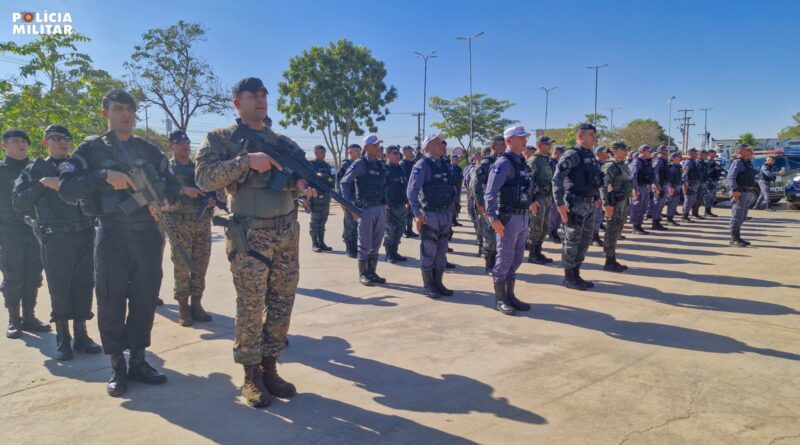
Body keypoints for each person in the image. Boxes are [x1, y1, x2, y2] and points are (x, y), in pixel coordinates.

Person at [195, 77, 315, 407]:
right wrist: (246, 160)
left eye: (264, 95)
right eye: (253, 96)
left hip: (286, 232)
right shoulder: (221, 138)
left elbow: (293, 180)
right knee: (250, 304)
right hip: (250, 234)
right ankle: (250, 374)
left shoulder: (282, 142)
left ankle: (270, 367)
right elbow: (204, 178)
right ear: (238, 103)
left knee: (281, 301)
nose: (261, 100)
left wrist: (303, 184)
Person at [59, 89, 181, 397]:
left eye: (129, 109)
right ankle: (117, 364)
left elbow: (174, 183)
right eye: (118, 108)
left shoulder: (148, 149)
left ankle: (138, 360)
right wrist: (103, 174)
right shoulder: (90, 149)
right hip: (112, 233)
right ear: (106, 113)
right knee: (111, 298)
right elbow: (67, 189)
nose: (125, 114)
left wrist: (164, 200)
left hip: (148, 234)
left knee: (145, 296)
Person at [11, 124, 100, 359]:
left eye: (67, 138)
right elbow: (18, 203)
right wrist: (41, 184)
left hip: (84, 234)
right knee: (60, 288)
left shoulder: (79, 166)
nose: (63, 141)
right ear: (45, 142)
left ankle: (81, 335)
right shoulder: (34, 169)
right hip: (55, 238)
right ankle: (63, 338)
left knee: (83, 285)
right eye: (56, 138)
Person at [1, 129, 48, 340]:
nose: (21, 145)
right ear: (5, 145)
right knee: (13, 277)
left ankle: (30, 317)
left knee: (33, 276)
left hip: (34, 230)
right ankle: (14, 319)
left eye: (24, 141)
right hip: (8, 231)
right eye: (16, 141)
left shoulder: (37, 169)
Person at [165, 130, 214, 327]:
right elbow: (160, 192)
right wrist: (182, 190)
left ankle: (197, 304)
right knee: (182, 267)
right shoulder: (166, 170)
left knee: (201, 265)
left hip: (202, 222)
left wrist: (211, 200)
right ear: (171, 146)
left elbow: (211, 187)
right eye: (179, 142)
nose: (185, 145)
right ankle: (183, 307)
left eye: (187, 141)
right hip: (179, 224)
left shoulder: (198, 168)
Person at [485, 126, 535, 315]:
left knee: (516, 259)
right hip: (508, 218)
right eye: (520, 137)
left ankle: (510, 295)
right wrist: (492, 217)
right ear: (509, 141)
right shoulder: (503, 163)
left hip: (522, 216)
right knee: (504, 259)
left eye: (525, 137)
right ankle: (500, 299)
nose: (525, 141)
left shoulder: (521, 161)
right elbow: (490, 192)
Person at [552, 124, 603, 291]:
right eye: (590, 134)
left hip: (589, 204)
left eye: (594, 134)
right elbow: (557, 179)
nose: (594, 137)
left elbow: (594, 179)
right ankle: (568, 276)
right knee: (572, 241)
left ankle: (576, 272)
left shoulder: (591, 155)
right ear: (580, 136)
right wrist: (559, 204)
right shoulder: (572, 154)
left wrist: (596, 196)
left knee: (585, 240)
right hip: (575, 204)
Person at [406, 134, 455, 298]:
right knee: (429, 250)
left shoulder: (445, 164)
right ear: (427, 147)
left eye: (441, 143)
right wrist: (417, 215)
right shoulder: (422, 165)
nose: (441, 145)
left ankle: (438, 283)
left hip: (445, 213)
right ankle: (428, 285)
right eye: (437, 143)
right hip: (430, 213)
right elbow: (411, 192)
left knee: (442, 250)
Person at [340, 134, 388, 286]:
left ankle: (372, 272)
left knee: (377, 242)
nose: (377, 147)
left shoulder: (381, 164)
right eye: (374, 145)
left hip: (380, 207)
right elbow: (344, 183)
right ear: (366, 147)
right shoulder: (360, 163)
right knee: (365, 243)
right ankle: (363, 274)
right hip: (365, 208)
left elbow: (384, 186)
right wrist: (350, 205)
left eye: (378, 145)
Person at [470, 135, 505, 273]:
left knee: (501, 236)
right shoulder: (486, 164)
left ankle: (499, 263)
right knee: (490, 236)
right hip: (489, 205)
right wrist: (481, 204)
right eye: (502, 144)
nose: (504, 146)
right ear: (494, 146)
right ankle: (489, 264)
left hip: (503, 204)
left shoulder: (506, 161)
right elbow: (476, 185)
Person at [600, 142, 632, 272]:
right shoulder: (610, 166)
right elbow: (602, 186)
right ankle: (609, 261)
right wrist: (606, 205)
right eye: (624, 149)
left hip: (623, 203)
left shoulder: (623, 165)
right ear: (614, 150)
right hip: (614, 204)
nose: (626, 152)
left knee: (617, 230)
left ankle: (612, 258)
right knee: (611, 231)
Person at [526, 136, 555, 264]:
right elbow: (528, 180)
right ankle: (532, 254)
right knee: (536, 227)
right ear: (539, 145)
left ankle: (538, 251)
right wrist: (532, 200)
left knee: (544, 227)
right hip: (538, 198)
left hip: (547, 197)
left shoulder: (546, 159)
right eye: (547, 144)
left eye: (550, 144)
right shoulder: (534, 160)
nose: (549, 146)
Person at [727, 144, 757, 246]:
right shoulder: (737, 162)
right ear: (740, 151)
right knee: (737, 216)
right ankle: (734, 239)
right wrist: (734, 190)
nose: (751, 152)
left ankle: (738, 237)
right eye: (748, 150)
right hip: (739, 192)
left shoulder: (747, 163)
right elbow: (731, 177)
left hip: (747, 192)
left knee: (742, 217)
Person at [383, 146, 408, 263]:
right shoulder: (384, 169)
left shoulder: (400, 169)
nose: (398, 155)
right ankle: (389, 254)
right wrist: (383, 202)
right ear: (387, 155)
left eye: (399, 154)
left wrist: (407, 200)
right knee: (390, 230)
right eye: (395, 153)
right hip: (389, 205)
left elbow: (404, 186)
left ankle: (395, 251)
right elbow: (380, 187)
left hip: (401, 204)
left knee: (400, 228)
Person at [309, 145, 335, 252]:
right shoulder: (311, 165)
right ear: (315, 153)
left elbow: (331, 181)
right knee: (315, 221)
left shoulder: (327, 166)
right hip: (315, 197)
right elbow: (309, 179)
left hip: (326, 197)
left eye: (324, 152)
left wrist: (325, 177)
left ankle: (322, 242)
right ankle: (315, 243)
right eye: (320, 152)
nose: (323, 154)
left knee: (323, 221)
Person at [338, 144, 361, 257]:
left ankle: (356, 247)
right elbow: (339, 183)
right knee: (350, 224)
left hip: (359, 199)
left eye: (359, 151)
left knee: (358, 225)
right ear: (350, 152)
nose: (358, 153)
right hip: (349, 199)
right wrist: (342, 201)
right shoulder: (346, 164)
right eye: (356, 151)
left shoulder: (361, 164)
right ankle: (349, 248)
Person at [628, 145, 655, 234]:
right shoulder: (637, 162)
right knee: (636, 207)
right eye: (648, 151)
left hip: (645, 187)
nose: (650, 153)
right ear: (642, 151)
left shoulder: (646, 162)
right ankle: (635, 227)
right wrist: (634, 189)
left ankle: (639, 225)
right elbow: (633, 176)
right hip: (638, 187)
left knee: (643, 207)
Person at [649, 145, 670, 231]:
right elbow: (653, 174)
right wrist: (657, 186)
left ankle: (657, 222)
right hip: (659, 185)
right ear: (661, 151)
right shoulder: (659, 161)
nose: (667, 151)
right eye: (665, 150)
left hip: (664, 184)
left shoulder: (664, 161)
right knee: (657, 204)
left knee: (661, 204)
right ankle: (655, 223)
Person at [547, 145, 566, 243]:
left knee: (559, 214)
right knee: (553, 214)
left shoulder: (559, 163)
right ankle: (551, 232)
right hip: (552, 192)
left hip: (561, 191)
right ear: (557, 152)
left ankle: (555, 230)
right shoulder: (550, 162)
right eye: (562, 152)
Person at [592, 146, 609, 245]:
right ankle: (594, 237)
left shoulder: (605, 164)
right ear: (599, 154)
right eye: (605, 152)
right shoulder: (596, 164)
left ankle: (595, 235)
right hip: (597, 194)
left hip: (604, 193)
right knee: (596, 216)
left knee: (600, 215)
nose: (607, 154)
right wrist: (596, 196)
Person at [400, 146, 419, 238]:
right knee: (404, 212)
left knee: (411, 212)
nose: (410, 152)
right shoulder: (402, 164)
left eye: (411, 150)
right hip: (404, 190)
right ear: (404, 153)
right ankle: (403, 231)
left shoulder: (414, 163)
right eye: (408, 151)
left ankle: (410, 230)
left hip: (412, 190)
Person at [681, 148, 702, 222]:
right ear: (691, 153)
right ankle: (684, 216)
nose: (697, 154)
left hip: (694, 183)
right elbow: (684, 174)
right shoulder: (688, 162)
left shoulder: (693, 162)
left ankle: (686, 215)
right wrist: (685, 185)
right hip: (690, 184)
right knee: (688, 200)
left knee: (692, 200)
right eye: (695, 153)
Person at [704, 149, 724, 216]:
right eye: (713, 153)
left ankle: (709, 211)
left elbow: (717, 171)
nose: (715, 155)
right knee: (708, 196)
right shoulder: (707, 162)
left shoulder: (713, 161)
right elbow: (707, 172)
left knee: (712, 197)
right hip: (710, 181)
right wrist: (715, 168)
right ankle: (707, 211)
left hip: (714, 180)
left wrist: (719, 169)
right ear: (709, 154)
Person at [691, 150, 710, 219]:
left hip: (703, 182)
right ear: (699, 155)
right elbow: (698, 173)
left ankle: (696, 213)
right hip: (699, 182)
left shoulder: (703, 162)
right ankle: (694, 213)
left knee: (700, 198)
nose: (705, 156)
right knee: (697, 198)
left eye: (706, 154)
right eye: (704, 154)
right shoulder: (698, 162)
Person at [666, 153, 683, 226]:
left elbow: (682, 175)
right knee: (671, 203)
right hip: (672, 186)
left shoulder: (679, 166)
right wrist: (670, 187)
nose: (679, 158)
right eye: (677, 157)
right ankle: (669, 220)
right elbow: (668, 178)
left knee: (675, 203)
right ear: (673, 158)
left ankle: (671, 218)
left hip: (678, 185)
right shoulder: (669, 166)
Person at [450, 152, 464, 227]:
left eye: (457, 159)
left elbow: (461, 177)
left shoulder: (459, 168)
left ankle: (455, 220)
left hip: (458, 188)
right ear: (452, 160)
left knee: (457, 204)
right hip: (452, 189)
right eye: (454, 159)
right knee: (452, 205)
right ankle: (451, 221)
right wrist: (453, 186)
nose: (456, 160)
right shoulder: (449, 167)